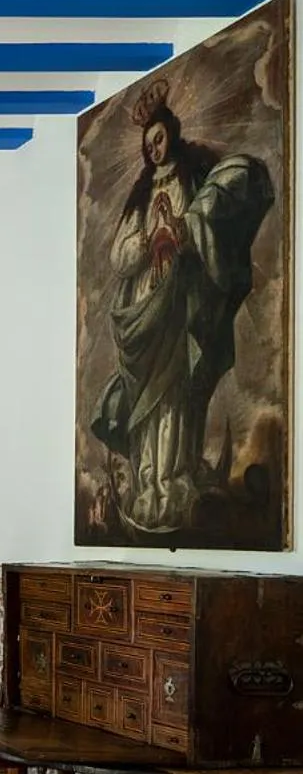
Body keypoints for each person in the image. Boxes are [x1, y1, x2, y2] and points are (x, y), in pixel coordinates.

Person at [88, 78, 276, 534]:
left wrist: (187, 227)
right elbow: (119, 255)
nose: (154, 150)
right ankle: (148, 482)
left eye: (159, 139)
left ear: (171, 133)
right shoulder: (141, 195)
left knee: (177, 395)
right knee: (146, 403)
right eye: (147, 144)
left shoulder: (195, 177)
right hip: (146, 309)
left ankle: (174, 479)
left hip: (181, 304)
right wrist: (149, 238)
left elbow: (238, 180)